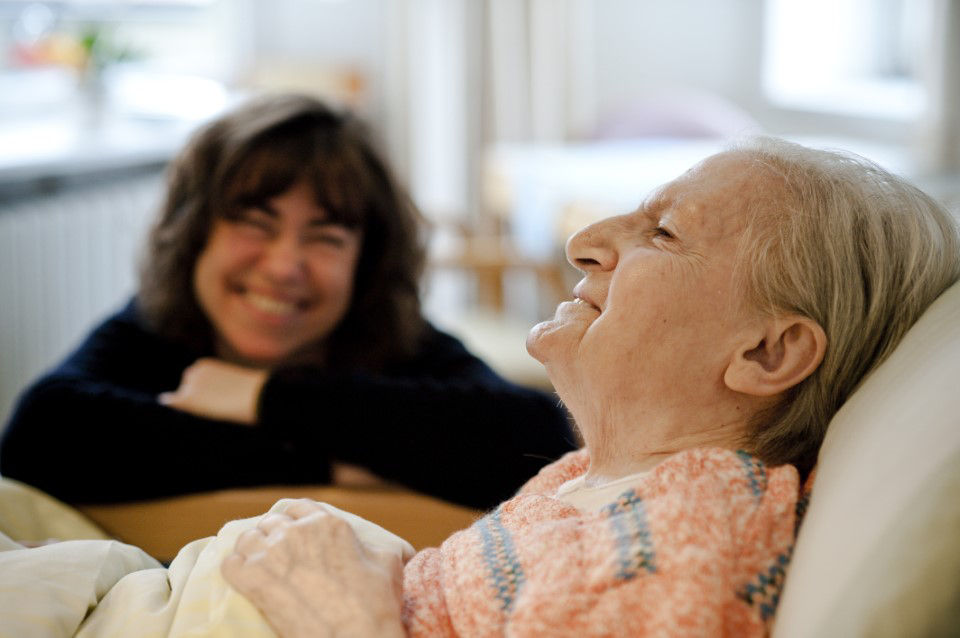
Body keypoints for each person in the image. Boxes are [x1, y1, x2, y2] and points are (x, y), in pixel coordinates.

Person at [214, 138, 960, 637]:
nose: (583, 242)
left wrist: (345, 618)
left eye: (662, 233)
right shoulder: (593, 479)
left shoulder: (693, 523)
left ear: (766, 352)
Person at [0, 93, 575, 510]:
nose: (283, 266)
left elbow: (540, 441)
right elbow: (41, 435)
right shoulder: (153, 327)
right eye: (254, 223)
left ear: (366, 261)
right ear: (195, 235)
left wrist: (262, 396)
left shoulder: (393, 336)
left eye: (325, 237)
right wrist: (327, 464)